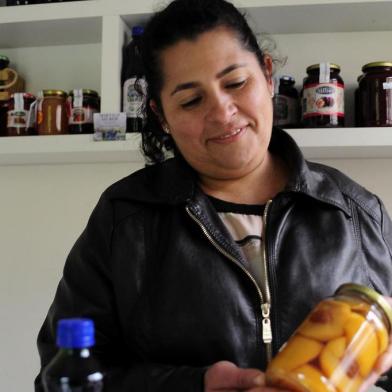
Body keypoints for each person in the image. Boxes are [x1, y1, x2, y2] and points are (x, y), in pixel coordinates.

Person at [35, 0, 392, 390]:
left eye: (236, 83)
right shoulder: (125, 218)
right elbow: (62, 375)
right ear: (161, 116)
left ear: (268, 75)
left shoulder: (355, 213)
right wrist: (194, 385)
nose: (223, 112)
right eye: (191, 100)